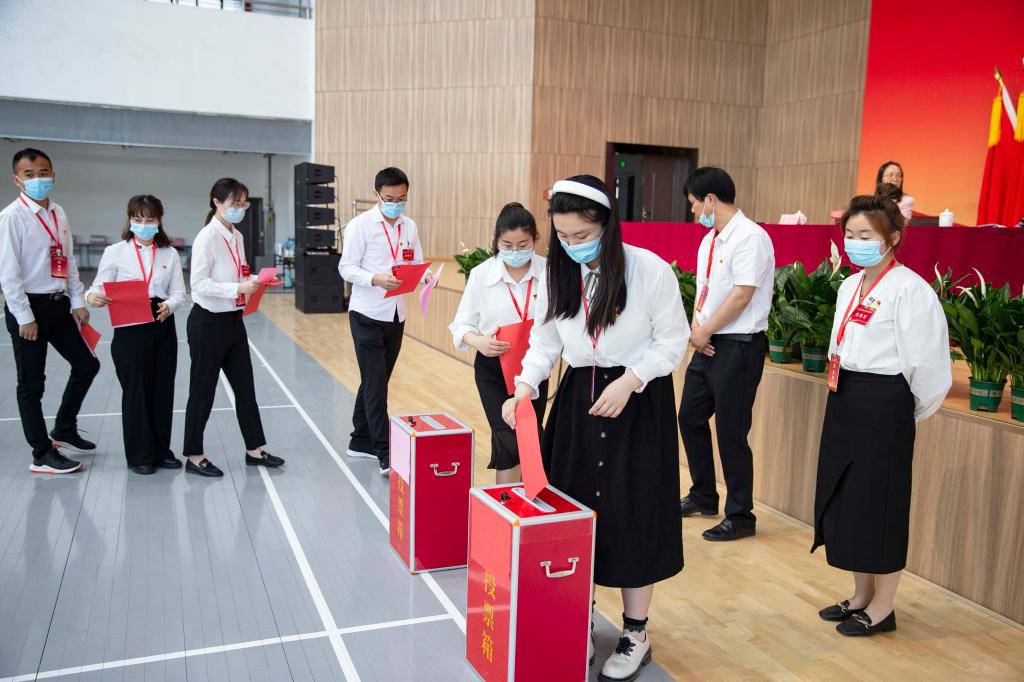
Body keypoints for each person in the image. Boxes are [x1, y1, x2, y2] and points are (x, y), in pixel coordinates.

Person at [502, 175, 689, 681]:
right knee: (573, 511)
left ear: (608, 227)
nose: (572, 245)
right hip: (578, 402)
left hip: (637, 401)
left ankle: (635, 632)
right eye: (563, 236)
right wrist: (524, 387)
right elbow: (545, 342)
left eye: (582, 236)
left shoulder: (649, 270)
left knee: (633, 512)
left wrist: (631, 380)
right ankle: (579, 619)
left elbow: (673, 341)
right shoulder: (559, 274)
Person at [812, 195, 951, 637]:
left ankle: (884, 607)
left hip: (886, 403)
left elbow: (928, 368)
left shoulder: (911, 290)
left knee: (881, 504)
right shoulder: (849, 286)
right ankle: (861, 595)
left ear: (892, 237)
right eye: (850, 235)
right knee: (848, 499)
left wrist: (900, 411)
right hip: (845, 396)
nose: (855, 243)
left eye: (866, 235)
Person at [677, 166, 775, 541]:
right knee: (689, 416)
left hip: (738, 345)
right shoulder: (711, 240)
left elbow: (741, 296)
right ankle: (703, 495)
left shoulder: (751, 237)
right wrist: (696, 328)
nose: (692, 211)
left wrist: (705, 330)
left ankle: (741, 515)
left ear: (710, 199)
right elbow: (703, 290)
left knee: (732, 431)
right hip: (708, 341)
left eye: (693, 203)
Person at [0, 147, 100, 474]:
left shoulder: (58, 212)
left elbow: (67, 260)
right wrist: (24, 316)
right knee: (32, 384)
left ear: (53, 174)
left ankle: (64, 427)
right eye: (29, 175)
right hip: (29, 308)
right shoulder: (12, 217)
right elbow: (8, 274)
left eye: (43, 173)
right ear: (17, 180)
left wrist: (78, 301)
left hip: (59, 306)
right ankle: (41, 453)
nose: (38, 179)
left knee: (87, 364)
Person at [182, 178, 284, 477]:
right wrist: (238, 287)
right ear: (216, 202)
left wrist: (257, 280)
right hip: (207, 322)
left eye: (243, 204)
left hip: (233, 321)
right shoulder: (206, 238)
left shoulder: (236, 235)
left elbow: (237, 273)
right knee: (202, 391)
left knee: (245, 388)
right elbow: (199, 284)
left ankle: (254, 449)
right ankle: (194, 455)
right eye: (234, 204)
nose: (239, 209)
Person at [338, 167, 430, 475]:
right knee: (376, 384)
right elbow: (346, 268)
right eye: (389, 199)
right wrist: (375, 278)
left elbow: (416, 262)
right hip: (366, 313)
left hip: (395, 314)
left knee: (375, 380)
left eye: (401, 199)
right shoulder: (360, 226)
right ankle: (384, 452)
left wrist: (426, 275)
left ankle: (359, 440)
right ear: (376, 194)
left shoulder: (409, 226)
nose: (396, 204)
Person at [449, 202, 548, 484]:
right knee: (508, 439)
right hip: (493, 369)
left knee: (529, 438)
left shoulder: (548, 272)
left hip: (534, 370)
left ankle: (525, 500)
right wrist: (478, 341)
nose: (515, 251)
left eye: (523, 244)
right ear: (496, 241)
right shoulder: (482, 274)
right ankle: (504, 505)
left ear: (535, 240)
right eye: (507, 245)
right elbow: (460, 325)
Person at [86, 195, 185, 475]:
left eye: (149, 219)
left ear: (159, 221)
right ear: (130, 220)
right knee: (136, 391)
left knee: (163, 389)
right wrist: (92, 297)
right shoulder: (115, 252)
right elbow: (97, 287)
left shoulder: (169, 253)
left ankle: (162, 450)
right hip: (130, 324)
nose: (143, 224)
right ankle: (140, 455)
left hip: (161, 320)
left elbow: (179, 291)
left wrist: (170, 306)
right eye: (138, 219)